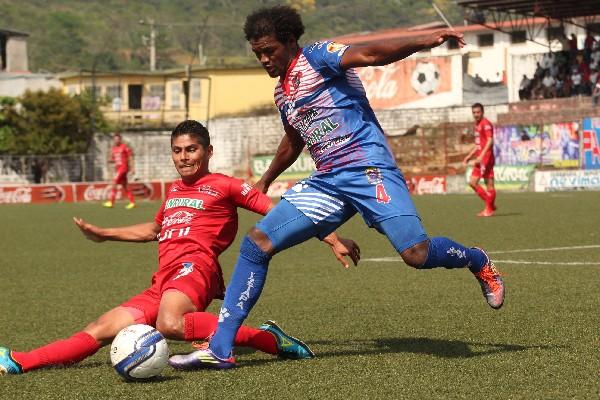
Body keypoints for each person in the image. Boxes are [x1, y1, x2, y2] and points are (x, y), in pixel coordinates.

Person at [169, 5, 505, 370]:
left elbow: (371, 54)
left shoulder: (317, 57)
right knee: (256, 245)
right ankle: (220, 347)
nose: (264, 59)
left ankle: (478, 260)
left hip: (368, 168)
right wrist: (265, 179)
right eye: (258, 54)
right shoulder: (282, 93)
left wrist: (425, 41)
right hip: (328, 181)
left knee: (416, 254)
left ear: (291, 41)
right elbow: (294, 139)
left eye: (269, 51)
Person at [0, 120, 360, 375]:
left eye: (191, 149)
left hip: (196, 270)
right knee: (100, 329)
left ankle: (267, 340)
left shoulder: (226, 185)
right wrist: (105, 234)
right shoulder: (173, 192)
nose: (184, 157)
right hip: (163, 279)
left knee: (169, 323)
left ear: (207, 151)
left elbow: (284, 214)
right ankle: (19, 361)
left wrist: (332, 237)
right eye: (177, 151)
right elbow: (154, 229)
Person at [463, 103, 496, 217]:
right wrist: (469, 156)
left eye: (478, 112)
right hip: (479, 158)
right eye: (474, 112)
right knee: (472, 182)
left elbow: (490, 141)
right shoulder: (477, 125)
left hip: (486, 158)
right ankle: (490, 203)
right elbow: (478, 144)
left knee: (489, 184)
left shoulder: (486, 124)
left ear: (482, 112)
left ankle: (489, 209)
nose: (476, 114)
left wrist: (481, 156)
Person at [103, 132, 136, 209]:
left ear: (120, 140)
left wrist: (133, 167)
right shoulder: (114, 149)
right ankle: (132, 202)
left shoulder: (124, 147)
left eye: (117, 139)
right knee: (125, 186)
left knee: (114, 182)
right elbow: (113, 159)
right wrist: (110, 160)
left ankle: (111, 202)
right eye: (115, 139)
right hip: (118, 169)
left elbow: (130, 157)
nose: (116, 141)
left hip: (123, 168)